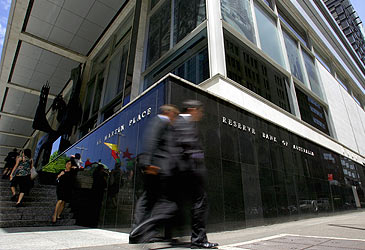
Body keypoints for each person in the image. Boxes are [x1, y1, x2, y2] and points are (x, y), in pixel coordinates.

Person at [129, 104, 180, 244]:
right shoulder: (160, 121)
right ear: (168, 113)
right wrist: (148, 164)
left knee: (149, 200)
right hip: (156, 168)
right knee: (150, 201)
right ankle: (138, 232)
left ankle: (140, 232)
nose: (175, 118)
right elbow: (151, 141)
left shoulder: (165, 125)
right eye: (174, 115)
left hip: (158, 168)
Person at [173, 100, 218, 249]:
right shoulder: (182, 122)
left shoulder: (186, 123)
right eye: (200, 110)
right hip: (191, 171)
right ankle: (198, 240)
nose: (201, 114)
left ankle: (198, 239)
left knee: (197, 204)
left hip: (189, 172)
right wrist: (200, 160)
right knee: (200, 204)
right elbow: (189, 148)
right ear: (192, 109)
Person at [52, 158, 77, 223]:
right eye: (67, 163)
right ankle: (54, 215)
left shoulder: (72, 172)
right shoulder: (62, 171)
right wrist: (60, 175)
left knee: (63, 202)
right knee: (60, 200)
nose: (67, 165)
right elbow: (56, 179)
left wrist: (75, 167)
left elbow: (77, 169)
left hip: (67, 189)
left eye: (69, 164)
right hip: (60, 188)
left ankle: (58, 215)